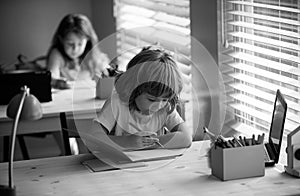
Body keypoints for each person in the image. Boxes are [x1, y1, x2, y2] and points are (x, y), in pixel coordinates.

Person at [94, 46, 193, 149]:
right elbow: (95, 138)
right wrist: (126, 142)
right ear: (132, 88)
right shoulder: (116, 103)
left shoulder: (166, 108)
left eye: (164, 99)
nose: (157, 106)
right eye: (151, 99)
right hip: (122, 163)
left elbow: (186, 138)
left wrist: (150, 143)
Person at [46, 14, 110, 87]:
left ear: (88, 40)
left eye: (80, 44)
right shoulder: (57, 54)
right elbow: (52, 76)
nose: (75, 49)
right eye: (70, 44)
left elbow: (107, 72)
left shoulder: (93, 55)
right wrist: (57, 82)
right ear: (61, 39)